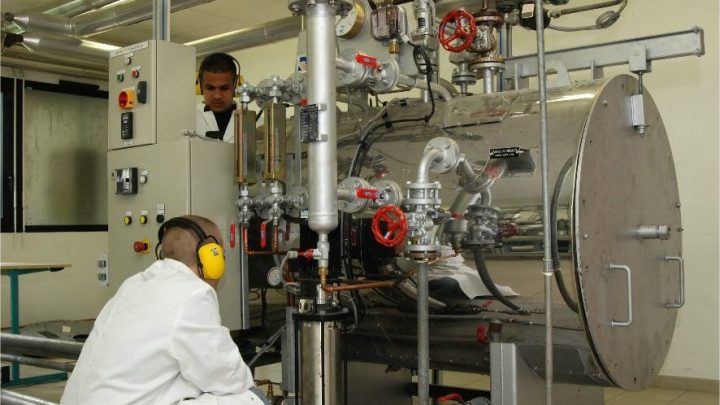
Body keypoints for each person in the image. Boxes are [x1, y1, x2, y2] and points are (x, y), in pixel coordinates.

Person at [61, 215, 268, 405]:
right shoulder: (192, 294)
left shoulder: (134, 284)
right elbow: (229, 377)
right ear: (211, 258)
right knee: (251, 398)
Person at [196, 53, 241, 143]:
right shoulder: (189, 120)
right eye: (210, 88)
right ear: (201, 85)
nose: (217, 96)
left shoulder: (255, 123)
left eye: (224, 88)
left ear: (235, 83)